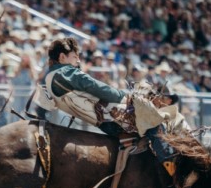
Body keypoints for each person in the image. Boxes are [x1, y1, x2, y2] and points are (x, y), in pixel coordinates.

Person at [36, 37, 180, 174]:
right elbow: (95, 86)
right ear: (62, 57)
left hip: (103, 122)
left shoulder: (48, 79)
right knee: (154, 121)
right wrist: (125, 97)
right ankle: (172, 166)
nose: (78, 60)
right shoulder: (66, 72)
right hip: (112, 117)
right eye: (75, 57)